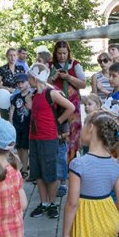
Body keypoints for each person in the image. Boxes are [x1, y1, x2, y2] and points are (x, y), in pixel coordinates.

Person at [28, 63, 75, 219]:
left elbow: (70, 107)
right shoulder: (35, 93)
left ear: (35, 78)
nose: (28, 79)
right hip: (34, 137)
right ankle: (44, 203)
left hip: (48, 138)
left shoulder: (51, 93)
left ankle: (53, 203)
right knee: (38, 173)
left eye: (30, 76)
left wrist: (58, 122)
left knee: (50, 173)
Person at [49, 41, 86, 196]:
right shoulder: (51, 65)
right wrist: (54, 77)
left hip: (73, 104)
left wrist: (68, 77)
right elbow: (45, 83)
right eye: (59, 53)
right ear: (55, 53)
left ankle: (72, 170)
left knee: (73, 137)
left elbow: (83, 84)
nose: (62, 56)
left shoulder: (75, 64)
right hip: (56, 105)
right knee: (59, 137)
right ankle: (59, 174)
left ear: (68, 52)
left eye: (64, 53)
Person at [9, 73, 32, 179]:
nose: (20, 84)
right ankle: (22, 166)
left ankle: (25, 169)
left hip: (27, 125)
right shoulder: (16, 97)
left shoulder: (31, 96)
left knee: (25, 147)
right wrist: (10, 122)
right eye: (18, 83)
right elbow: (12, 110)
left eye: (22, 82)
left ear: (28, 82)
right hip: (17, 125)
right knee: (18, 147)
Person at [0, 48, 28, 121]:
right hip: (5, 98)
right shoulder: (2, 69)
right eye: (10, 55)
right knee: (6, 120)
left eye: (14, 55)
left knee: (18, 119)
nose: (12, 57)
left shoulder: (21, 68)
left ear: (17, 56)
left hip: (18, 98)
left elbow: (25, 82)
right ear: (7, 56)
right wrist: (9, 89)